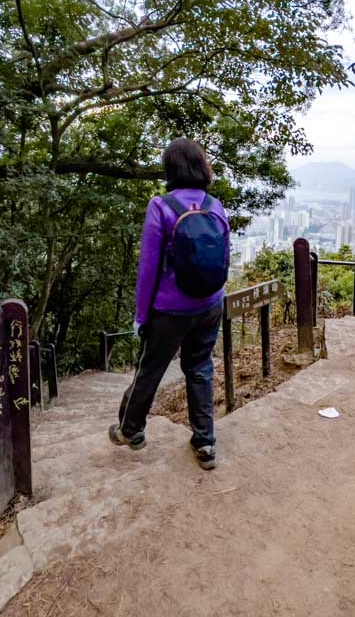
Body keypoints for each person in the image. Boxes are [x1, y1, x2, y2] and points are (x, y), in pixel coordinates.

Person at [109, 138, 230, 470]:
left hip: (170, 311)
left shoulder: (160, 206)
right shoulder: (215, 205)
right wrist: (215, 297)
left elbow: (148, 268)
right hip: (210, 304)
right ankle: (205, 442)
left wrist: (140, 316)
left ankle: (131, 430)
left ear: (170, 169)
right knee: (200, 368)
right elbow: (225, 258)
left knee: (151, 368)